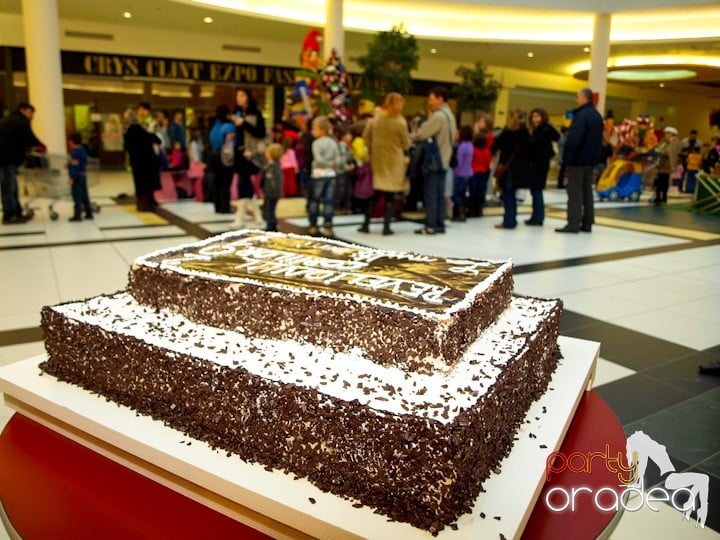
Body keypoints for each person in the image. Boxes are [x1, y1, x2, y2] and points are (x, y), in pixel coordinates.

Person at [359, 92, 411, 235]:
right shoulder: (400, 121)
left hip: (377, 161)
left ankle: (366, 224)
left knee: (374, 194)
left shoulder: (376, 119)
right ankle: (386, 227)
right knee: (390, 195)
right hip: (395, 162)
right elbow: (406, 143)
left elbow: (365, 136)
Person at [555, 88, 603, 234]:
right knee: (587, 190)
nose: (576, 100)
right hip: (590, 160)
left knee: (575, 191)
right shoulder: (596, 116)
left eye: (577, 97)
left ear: (583, 98)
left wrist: (568, 158)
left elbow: (575, 139)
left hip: (577, 160)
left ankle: (573, 223)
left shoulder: (581, 116)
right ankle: (587, 222)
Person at [413, 86, 456, 235]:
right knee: (439, 194)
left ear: (440, 99)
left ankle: (431, 225)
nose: (429, 102)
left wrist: (415, 133)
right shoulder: (450, 114)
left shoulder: (438, 116)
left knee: (431, 194)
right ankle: (439, 224)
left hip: (434, 161)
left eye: (431, 99)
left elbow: (421, 135)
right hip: (445, 160)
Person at [0, 102, 44, 224]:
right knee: (9, 187)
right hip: (6, 159)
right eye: (30, 113)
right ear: (23, 110)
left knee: (9, 186)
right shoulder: (20, 122)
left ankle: (15, 212)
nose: (32, 116)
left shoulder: (11, 120)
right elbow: (29, 138)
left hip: (5, 158)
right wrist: (41, 146)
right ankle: (10, 215)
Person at [232, 87, 267, 223]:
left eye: (242, 95)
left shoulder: (256, 113)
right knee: (245, 184)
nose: (239, 98)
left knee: (243, 183)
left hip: (251, 152)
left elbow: (261, 133)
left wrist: (244, 123)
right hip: (240, 152)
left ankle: (241, 217)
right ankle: (256, 215)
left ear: (248, 97)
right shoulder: (238, 112)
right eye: (237, 95)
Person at [491, 109, 530, 229]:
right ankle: (511, 219)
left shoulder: (507, 133)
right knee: (512, 194)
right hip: (520, 169)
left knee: (507, 195)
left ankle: (508, 221)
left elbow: (495, 146)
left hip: (507, 168)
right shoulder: (526, 133)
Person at [123, 106, 161, 212]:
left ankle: (143, 204)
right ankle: (146, 204)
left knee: (140, 184)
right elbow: (154, 139)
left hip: (137, 162)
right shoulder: (137, 128)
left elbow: (127, 147)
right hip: (145, 162)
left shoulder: (130, 130)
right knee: (145, 183)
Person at [525, 108, 560, 226]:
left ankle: (537, 217)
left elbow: (536, 147)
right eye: (533, 116)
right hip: (541, 164)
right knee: (536, 191)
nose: (535, 119)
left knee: (536, 191)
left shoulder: (542, 131)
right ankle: (537, 216)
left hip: (538, 165)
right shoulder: (544, 130)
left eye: (537, 116)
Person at [307, 115, 338, 236]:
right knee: (328, 202)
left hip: (318, 175)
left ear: (320, 129)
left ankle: (313, 225)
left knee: (315, 200)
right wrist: (331, 164)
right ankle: (327, 226)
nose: (312, 131)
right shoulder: (333, 143)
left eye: (314, 129)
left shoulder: (316, 143)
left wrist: (325, 163)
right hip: (331, 174)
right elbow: (337, 160)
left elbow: (318, 160)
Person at [208, 105, 236, 214]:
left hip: (214, 156)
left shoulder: (214, 126)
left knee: (217, 182)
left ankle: (218, 206)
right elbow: (229, 142)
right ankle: (225, 207)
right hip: (225, 156)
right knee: (225, 183)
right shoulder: (228, 126)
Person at [451, 125, 474, 222]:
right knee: (462, 193)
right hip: (468, 172)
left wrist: (454, 171)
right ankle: (463, 212)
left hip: (460, 173)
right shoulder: (470, 145)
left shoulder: (462, 146)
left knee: (456, 194)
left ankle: (459, 214)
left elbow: (458, 162)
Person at [67, 133, 92, 222]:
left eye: (70, 141)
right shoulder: (82, 150)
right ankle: (89, 212)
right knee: (84, 195)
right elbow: (80, 163)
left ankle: (78, 215)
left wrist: (71, 178)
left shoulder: (75, 152)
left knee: (76, 196)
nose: (69, 143)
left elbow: (75, 167)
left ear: (72, 141)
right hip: (83, 175)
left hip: (77, 177)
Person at [259, 143, 283, 232]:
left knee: (270, 210)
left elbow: (273, 181)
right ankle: (272, 224)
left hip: (271, 192)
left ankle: (271, 226)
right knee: (269, 209)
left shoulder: (273, 166)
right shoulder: (272, 165)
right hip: (270, 191)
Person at [653, 126, 680, 205]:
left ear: (673, 134)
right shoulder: (663, 141)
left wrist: (663, 153)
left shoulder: (674, 141)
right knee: (658, 182)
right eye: (665, 133)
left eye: (668, 133)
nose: (666, 135)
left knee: (665, 181)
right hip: (660, 164)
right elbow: (660, 148)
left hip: (667, 165)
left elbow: (672, 153)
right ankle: (658, 197)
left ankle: (664, 197)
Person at [468, 132, 492, 217]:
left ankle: (471, 210)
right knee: (481, 192)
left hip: (473, 172)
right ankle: (479, 210)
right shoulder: (486, 151)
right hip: (483, 172)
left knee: (472, 192)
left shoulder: (472, 150)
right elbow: (487, 163)